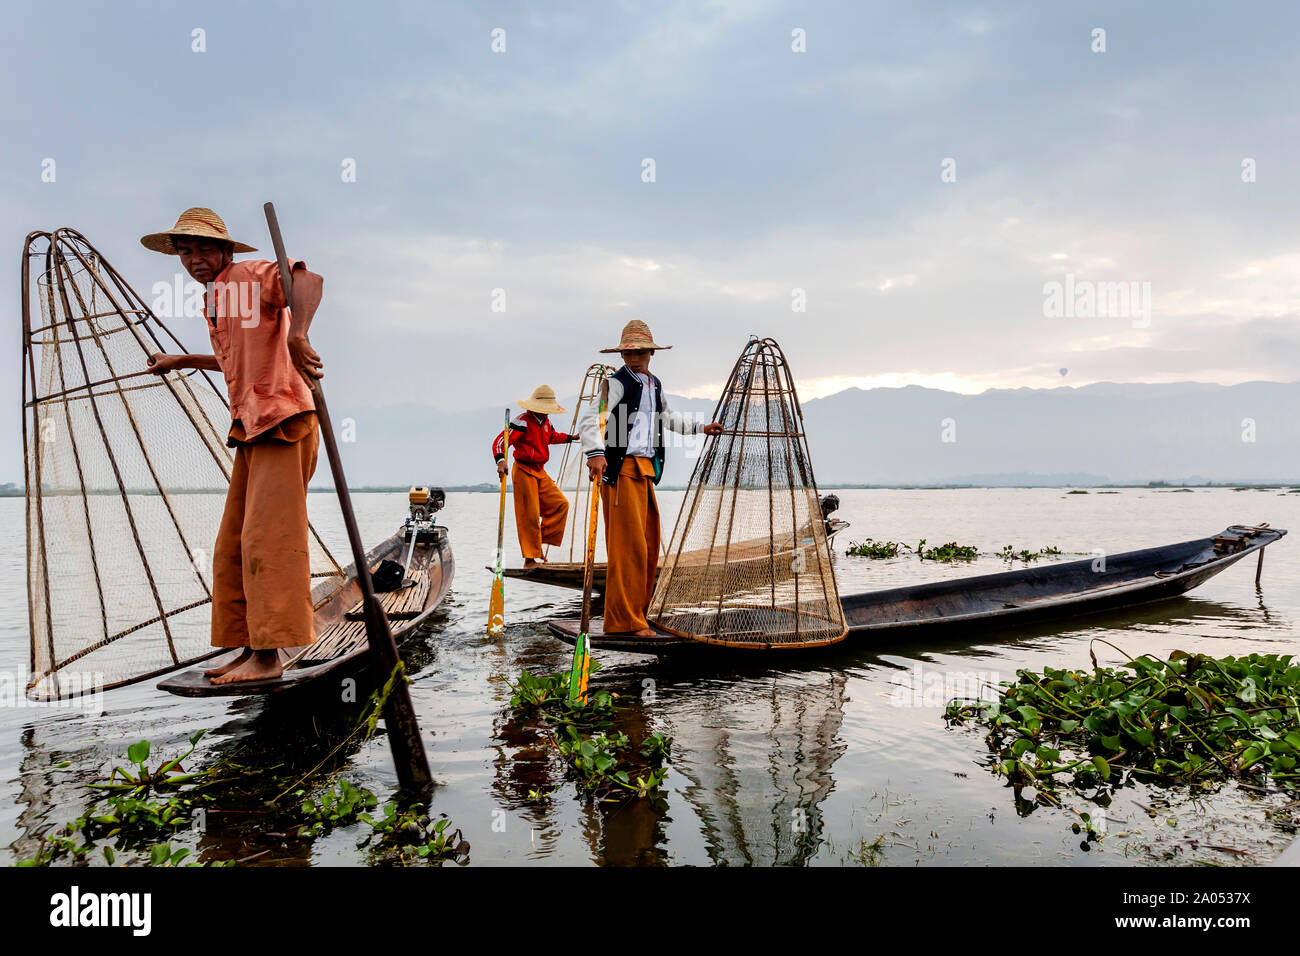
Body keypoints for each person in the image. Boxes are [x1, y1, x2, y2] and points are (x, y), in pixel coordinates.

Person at [140, 207, 324, 684]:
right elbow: (238, 360)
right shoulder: (219, 298)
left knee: (269, 541)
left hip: (284, 421)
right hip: (252, 428)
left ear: (225, 250)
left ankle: (268, 660)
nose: (195, 258)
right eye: (186, 250)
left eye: (204, 248)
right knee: (235, 545)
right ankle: (250, 649)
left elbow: (307, 281)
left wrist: (299, 334)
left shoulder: (244, 276)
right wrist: (184, 359)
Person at [580, 320, 723, 636]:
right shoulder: (615, 384)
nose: (633, 358)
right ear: (622, 354)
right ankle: (622, 622)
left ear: (650, 353)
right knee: (627, 548)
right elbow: (591, 419)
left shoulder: (654, 384)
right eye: (628, 353)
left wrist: (701, 428)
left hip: (645, 470)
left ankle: (639, 615)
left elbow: (667, 418)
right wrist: (596, 453)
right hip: (620, 472)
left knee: (647, 546)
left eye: (640, 352)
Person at [493, 385, 576, 567]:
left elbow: (552, 437)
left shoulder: (545, 422)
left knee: (560, 504)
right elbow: (501, 441)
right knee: (528, 514)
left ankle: (537, 546)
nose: (547, 413)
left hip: (539, 470)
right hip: (523, 470)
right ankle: (529, 558)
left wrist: (571, 438)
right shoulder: (522, 421)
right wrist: (501, 461)